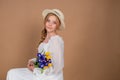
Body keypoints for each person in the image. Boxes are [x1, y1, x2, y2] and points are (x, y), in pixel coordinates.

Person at [6, 9, 65, 80]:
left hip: (50, 76)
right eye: (48, 20)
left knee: (14, 74)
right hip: (42, 72)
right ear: (45, 22)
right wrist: (34, 63)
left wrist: (36, 69)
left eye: (54, 22)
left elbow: (57, 67)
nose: (50, 24)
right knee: (12, 72)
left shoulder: (56, 40)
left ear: (57, 26)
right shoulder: (46, 38)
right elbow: (45, 60)